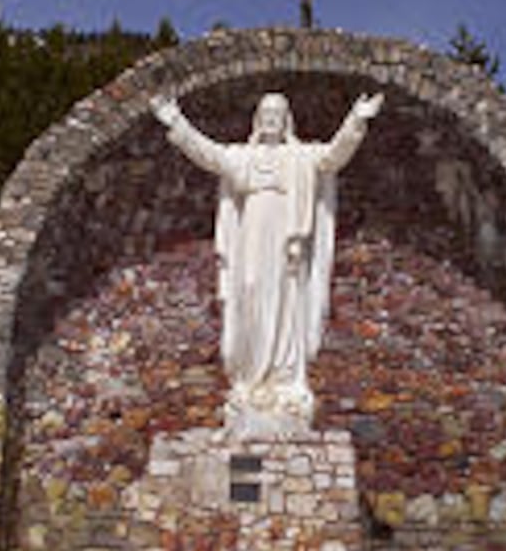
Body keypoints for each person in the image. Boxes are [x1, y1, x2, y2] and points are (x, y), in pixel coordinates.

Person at [151, 91, 383, 428]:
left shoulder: (301, 156)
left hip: (287, 238)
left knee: (286, 302)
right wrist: (175, 120)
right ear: (258, 119)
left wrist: (356, 119)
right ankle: (250, 379)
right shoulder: (243, 157)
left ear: (286, 119)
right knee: (249, 294)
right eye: (266, 112)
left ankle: (284, 382)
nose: (272, 118)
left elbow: (334, 156)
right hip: (251, 234)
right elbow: (208, 153)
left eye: (278, 112)